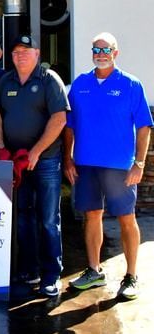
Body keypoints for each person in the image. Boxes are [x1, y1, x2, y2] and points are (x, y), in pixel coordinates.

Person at [64, 32, 153, 300]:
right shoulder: (80, 84)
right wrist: (67, 158)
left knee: (127, 219)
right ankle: (94, 270)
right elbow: (69, 127)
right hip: (86, 165)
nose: (101, 54)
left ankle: (132, 276)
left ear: (116, 53)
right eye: (97, 50)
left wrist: (139, 163)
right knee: (92, 216)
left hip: (120, 168)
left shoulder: (130, 84)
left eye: (107, 50)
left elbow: (144, 127)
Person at [0, 34, 69, 298]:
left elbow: (59, 119)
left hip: (46, 160)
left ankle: (51, 275)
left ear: (37, 54)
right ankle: (29, 270)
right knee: (23, 217)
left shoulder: (49, 80)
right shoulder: (6, 81)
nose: (20, 55)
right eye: (15, 52)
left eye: (26, 51)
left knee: (48, 219)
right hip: (17, 163)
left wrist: (36, 151)